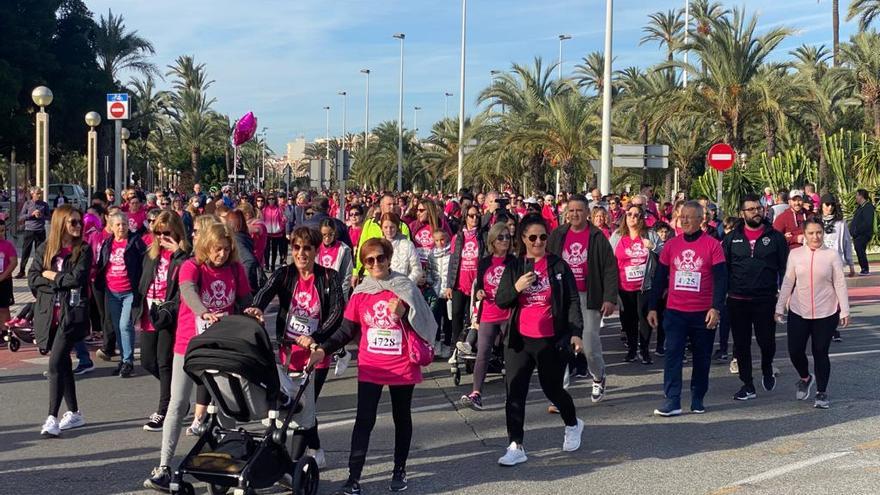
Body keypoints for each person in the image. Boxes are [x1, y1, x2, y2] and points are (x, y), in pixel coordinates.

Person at [305, 237, 438, 494]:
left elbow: (426, 323)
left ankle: (399, 469)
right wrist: (323, 350)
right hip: (371, 365)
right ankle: (354, 477)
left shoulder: (404, 286)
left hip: (402, 364)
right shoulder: (361, 291)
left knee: (402, 418)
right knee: (364, 420)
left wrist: (406, 313)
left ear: (388, 258)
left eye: (380, 258)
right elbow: (346, 329)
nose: (376, 263)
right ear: (364, 265)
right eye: (370, 260)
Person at [144, 222, 252, 492]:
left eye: (227, 250)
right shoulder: (191, 266)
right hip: (190, 345)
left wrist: (252, 311)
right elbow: (188, 291)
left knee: (227, 404)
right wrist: (202, 311)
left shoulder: (235, 269)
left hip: (221, 346)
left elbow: (245, 298)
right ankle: (164, 466)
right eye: (217, 250)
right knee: (178, 403)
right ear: (206, 246)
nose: (222, 255)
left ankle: (227, 461)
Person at [246, 226, 344, 469]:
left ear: (315, 250)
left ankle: (294, 461)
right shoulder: (285, 274)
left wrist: (315, 336)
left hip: (315, 353)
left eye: (307, 248)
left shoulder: (329, 277)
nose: (301, 254)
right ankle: (317, 448)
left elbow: (336, 313)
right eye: (297, 248)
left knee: (303, 406)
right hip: (288, 351)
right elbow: (266, 291)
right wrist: (257, 306)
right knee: (299, 406)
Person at [493, 213, 584, 466]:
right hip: (520, 340)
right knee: (515, 393)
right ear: (522, 239)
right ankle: (515, 445)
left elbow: (573, 300)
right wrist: (517, 287)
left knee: (552, 389)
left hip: (549, 340)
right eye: (532, 237)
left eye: (543, 237)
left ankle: (573, 423)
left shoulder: (558, 265)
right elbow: (501, 300)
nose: (538, 242)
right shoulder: (514, 267)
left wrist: (576, 332)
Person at [647, 201, 727, 417]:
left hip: (702, 313)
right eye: (682, 217)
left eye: (689, 217)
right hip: (675, 312)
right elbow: (660, 278)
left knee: (702, 357)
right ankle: (672, 400)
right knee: (672, 355)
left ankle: (698, 397)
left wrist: (716, 308)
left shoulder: (713, 245)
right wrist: (653, 307)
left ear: (701, 220)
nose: (684, 221)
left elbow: (721, 280)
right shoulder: (671, 245)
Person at [29, 205, 92, 437]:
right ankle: (75, 412)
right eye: (73, 222)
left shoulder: (83, 249)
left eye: (79, 222)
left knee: (54, 364)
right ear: (60, 223)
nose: (78, 226)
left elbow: (77, 279)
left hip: (71, 315)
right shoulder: (46, 248)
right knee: (63, 363)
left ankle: (52, 418)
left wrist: (51, 275)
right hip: (49, 315)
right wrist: (55, 279)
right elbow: (33, 278)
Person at [548, 194, 618, 402]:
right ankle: (560, 392)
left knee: (589, 343)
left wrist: (609, 298)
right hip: (563, 296)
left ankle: (598, 376)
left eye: (579, 210)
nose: (575, 214)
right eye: (571, 210)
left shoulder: (597, 237)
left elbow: (609, 269)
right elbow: (547, 261)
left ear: (587, 213)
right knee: (561, 344)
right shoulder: (558, 235)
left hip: (589, 296)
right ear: (566, 213)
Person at [776, 219, 850, 409]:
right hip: (799, 310)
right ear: (805, 234)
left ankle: (822, 392)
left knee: (820, 351)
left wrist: (845, 309)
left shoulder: (832, 255)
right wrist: (780, 306)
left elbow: (840, 283)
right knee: (794, 351)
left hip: (826, 311)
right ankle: (805, 377)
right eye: (811, 233)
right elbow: (787, 281)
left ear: (823, 233)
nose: (815, 237)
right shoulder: (795, 254)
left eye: (819, 232)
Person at [722, 194, 788, 401]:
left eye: (758, 208)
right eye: (750, 209)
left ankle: (767, 368)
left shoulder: (775, 237)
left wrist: (784, 295)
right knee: (741, 345)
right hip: (738, 300)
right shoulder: (732, 238)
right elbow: (724, 268)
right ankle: (747, 384)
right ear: (742, 213)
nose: (756, 212)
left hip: (765, 299)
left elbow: (785, 268)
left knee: (766, 342)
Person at [134, 211, 191, 431]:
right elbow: (143, 279)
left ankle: (164, 409)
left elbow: (186, 274)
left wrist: (177, 251)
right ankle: (178, 397)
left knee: (164, 362)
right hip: (150, 311)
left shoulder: (183, 256)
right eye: (157, 232)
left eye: (166, 232)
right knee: (148, 361)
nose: (161, 237)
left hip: (169, 314)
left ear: (176, 232)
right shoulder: (151, 252)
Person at [459, 222, 515, 410]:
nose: (505, 240)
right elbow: (480, 286)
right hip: (489, 313)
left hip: (508, 314)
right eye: (501, 237)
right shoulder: (484, 262)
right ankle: (476, 393)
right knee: (483, 352)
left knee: (510, 355)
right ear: (492, 240)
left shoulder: (514, 262)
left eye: (508, 237)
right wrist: (480, 293)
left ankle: (513, 394)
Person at [96, 212, 147, 378]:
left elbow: (144, 263)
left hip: (129, 292)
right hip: (112, 291)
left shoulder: (135, 242)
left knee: (126, 325)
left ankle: (128, 361)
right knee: (118, 326)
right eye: (117, 225)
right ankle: (123, 358)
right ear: (111, 227)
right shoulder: (108, 243)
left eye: (124, 224)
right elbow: (102, 264)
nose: (121, 228)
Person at [609, 205, 658, 364]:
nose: (632, 217)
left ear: (642, 218)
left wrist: (654, 247)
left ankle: (644, 350)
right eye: (629, 214)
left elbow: (665, 254)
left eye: (637, 215)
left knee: (644, 318)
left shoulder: (650, 234)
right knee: (628, 319)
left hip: (644, 285)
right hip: (624, 285)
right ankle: (631, 350)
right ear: (625, 217)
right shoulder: (617, 236)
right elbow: (609, 260)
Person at [444, 204, 484, 359]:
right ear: (465, 217)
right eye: (471, 216)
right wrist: (449, 285)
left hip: (475, 285)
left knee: (472, 318)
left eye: (477, 216)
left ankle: (469, 347)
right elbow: (452, 261)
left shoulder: (482, 237)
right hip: (459, 284)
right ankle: (455, 348)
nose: (475, 218)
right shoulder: (458, 237)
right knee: (456, 316)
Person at [225, 210, 263, 294]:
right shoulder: (243, 235)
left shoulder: (236, 238)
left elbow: (248, 260)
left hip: (245, 288)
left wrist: (244, 283)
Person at [16, 187, 50, 279]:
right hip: (29, 231)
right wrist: (31, 214)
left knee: (40, 252)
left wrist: (41, 215)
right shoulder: (27, 204)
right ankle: (22, 271)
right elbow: (21, 217)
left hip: (40, 231)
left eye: (40, 193)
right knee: (25, 251)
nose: (39, 195)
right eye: (37, 193)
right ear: (32, 194)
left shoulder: (44, 205)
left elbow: (49, 217)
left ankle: (39, 271)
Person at [317, 218, 354, 298]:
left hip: (336, 293)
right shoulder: (316, 248)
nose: (327, 238)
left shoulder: (343, 249)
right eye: (324, 234)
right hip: (319, 292)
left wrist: (341, 296)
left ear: (334, 233)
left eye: (330, 234)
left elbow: (347, 276)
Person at [381, 212, 422, 283]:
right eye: (386, 227)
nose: (389, 230)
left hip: (404, 287)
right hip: (385, 289)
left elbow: (417, 269)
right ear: (381, 228)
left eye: (392, 227)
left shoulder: (407, 245)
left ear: (397, 227)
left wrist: (407, 283)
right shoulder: (378, 245)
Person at [850, 189, 875, 276]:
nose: (856, 197)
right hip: (857, 234)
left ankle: (865, 268)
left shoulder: (868, 207)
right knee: (859, 249)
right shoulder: (860, 207)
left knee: (860, 248)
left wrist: (857, 230)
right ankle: (863, 268)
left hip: (864, 234)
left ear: (861, 196)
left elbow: (867, 222)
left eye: (857, 195)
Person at [0, 219, 18, 342]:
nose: (1, 233)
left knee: (4, 308)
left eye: (2, 230)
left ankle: (5, 331)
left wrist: (3, 275)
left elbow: (13, 262)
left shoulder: (7, 245)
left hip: (4, 281)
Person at [262, 194, 287, 271]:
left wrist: (281, 227)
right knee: (266, 250)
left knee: (274, 250)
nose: (271, 200)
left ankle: (273, 265)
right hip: (267, 233)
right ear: (267, 200)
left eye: (273, 199)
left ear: (275, 200)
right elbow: (261, 220)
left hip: (277, 233)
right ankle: (266, 265)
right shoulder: (264, 209)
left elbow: (283, 219)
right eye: (269, 199)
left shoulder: (279, 209)